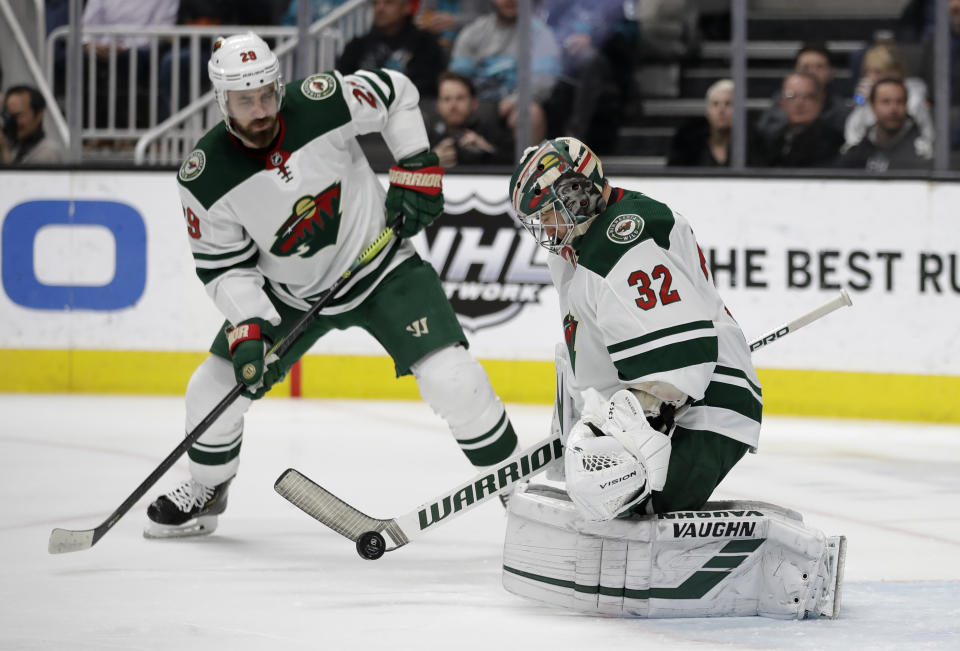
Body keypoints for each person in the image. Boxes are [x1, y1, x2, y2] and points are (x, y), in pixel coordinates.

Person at [144, 32, 519, 539]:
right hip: (289, 297)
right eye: (244, 100)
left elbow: (396, 92)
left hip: (382, 266)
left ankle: (520, 488)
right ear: (222, 101)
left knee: (455, 380)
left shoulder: (319, 100)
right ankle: (208, 487)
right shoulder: (203, 177)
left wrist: (415, 164)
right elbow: (223, 267)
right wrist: (249, 324)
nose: (260, 110)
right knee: (210, 389)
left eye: (267, 94)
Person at [502, 137, 846, 620]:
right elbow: (598, 366)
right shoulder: (574, 250)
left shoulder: (624, 237)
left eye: (552, 209)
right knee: (599, 485)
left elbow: (681, 357)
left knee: (616, 495)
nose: (547, 226)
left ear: (582, 191)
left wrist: (633, 425)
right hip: (669, 399)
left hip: (707, 405)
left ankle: (791, 564)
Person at [449, 0, 562, 145]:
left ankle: (526, 167)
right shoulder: (473, 33)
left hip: (516, 109)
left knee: (531, 113)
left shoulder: (541, 34)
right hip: (476, 107)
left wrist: (514, 101)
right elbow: (457, 79)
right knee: (452, 104)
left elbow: (542, 83)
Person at [337, 0, 447, 99]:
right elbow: (343, 84)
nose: (380, 8)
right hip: (363, 108)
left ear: (406, 7)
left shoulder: (425, 43)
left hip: (410, 109)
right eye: (376, 3)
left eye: (389, 3)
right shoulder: (357, 46)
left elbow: (429, 86)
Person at [754, 42, 852, 142]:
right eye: (805, 67)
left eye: (819, 67)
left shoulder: (840, 110)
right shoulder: (780, 100)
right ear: (795, 70)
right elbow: (764, 132)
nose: (812, 72)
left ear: (831, 72)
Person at [844, 42, 934, 149]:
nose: (870, 77)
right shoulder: (867, 95)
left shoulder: (914, 94)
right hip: (871, 154)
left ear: (895, 71)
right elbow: (853, 134)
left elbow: (898, 128)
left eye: (877, 72)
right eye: (867, 71)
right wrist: (863, 102)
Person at [751, 72, 844, 167]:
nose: (799, 103)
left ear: (821, 101)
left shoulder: (833, 142)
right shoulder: (770, 139)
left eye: (807, 97)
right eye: (791, 96)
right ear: (782, 102)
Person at [838, 77, 932, 171]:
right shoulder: (858, 152)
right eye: (886, 102)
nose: (893, 109)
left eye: (899, 102)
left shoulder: (923, 153)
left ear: (906, 105)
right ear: (872, 106)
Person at [427, 71, 513, 167]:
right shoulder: (426, 137)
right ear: (438, 105)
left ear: (474, 103)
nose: (453, 105)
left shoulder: (493, 131)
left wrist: (487, 151)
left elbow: (516, 167)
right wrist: (431, 161)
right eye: (447, 99)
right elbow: (409, 172)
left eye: (460, 98)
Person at [666, 78, 733, 166]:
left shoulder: (752, 148)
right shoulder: (687, 146)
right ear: (707, 112)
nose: (721, 110)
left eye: (728, 104)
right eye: (715, 104)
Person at [0, 85, 66, 165]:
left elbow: (19, 177)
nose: (12, 122)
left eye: (18, 116)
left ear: (38, 115)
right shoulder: (14, 147)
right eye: (9, 116)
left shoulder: (48, 153)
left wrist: (4, 150)